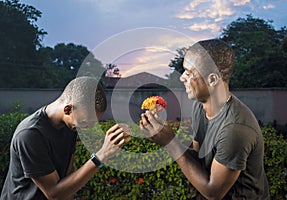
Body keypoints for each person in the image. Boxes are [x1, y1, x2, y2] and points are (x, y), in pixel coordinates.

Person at [140, 39, 270, 199]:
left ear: (213, 80)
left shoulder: (235, 129)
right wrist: (163, 135)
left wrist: (171, 143)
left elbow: (213, 192)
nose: (182, 78)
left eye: (189, 73)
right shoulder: (200, 107)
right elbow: (199, 158)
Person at [1, 76, 129, 199]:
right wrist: (101, 156)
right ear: (67, 110)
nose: (88, 128)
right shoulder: (30, 134)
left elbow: (67, 183)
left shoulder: (70, 126)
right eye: (85, 122)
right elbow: (54, 194)